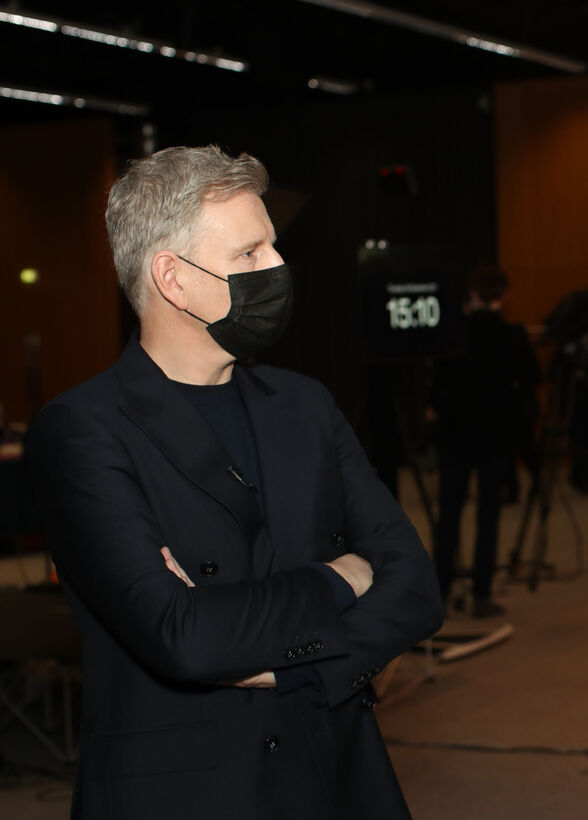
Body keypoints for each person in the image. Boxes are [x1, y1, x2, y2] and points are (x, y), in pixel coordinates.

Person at [29, 146, 443, 819]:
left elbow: (417, 587)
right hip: (185, 796)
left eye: (272, 246)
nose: (276, 267)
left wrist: (297, 668)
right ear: (173, 279)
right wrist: (339, 577)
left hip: (336, 778)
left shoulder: (304, 404)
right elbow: (184, 637)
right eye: (249, 253)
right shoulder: (83, 430)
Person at [430, 266, 539, 617]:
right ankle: (481, 594)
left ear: (472, 294)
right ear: (503, 295)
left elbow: (437, 386)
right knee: (488, 515)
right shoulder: (513, 335)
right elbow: (532, 378)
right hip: (495, 435)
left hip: (455, 435)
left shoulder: (454, 332)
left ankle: (440, 590)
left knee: (448, 515)